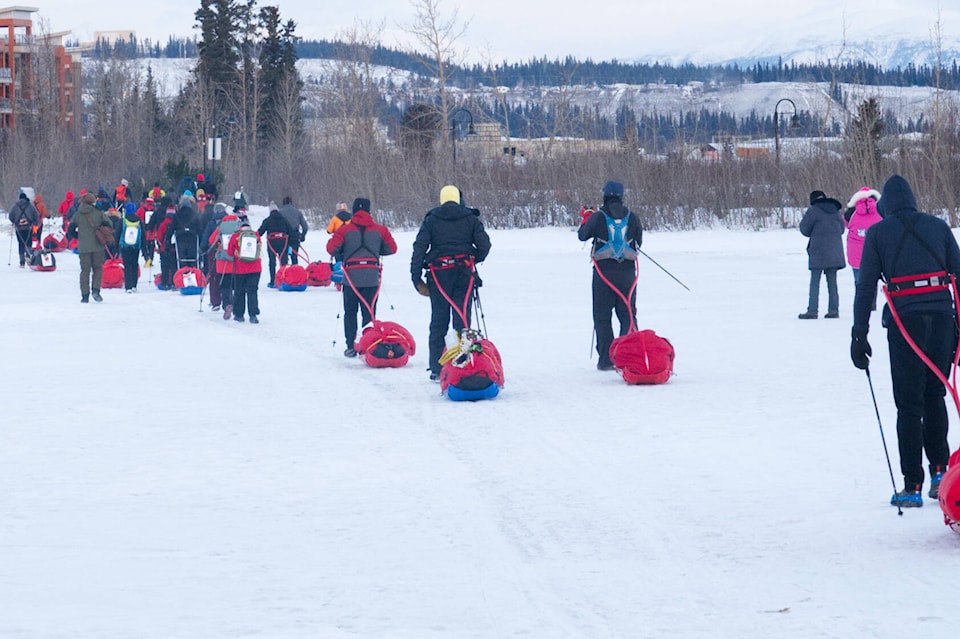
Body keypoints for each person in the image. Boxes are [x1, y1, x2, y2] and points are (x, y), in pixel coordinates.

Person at [850, 174, 960, 507]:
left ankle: (912, 484)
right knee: (934, 393)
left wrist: (859, 334)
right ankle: (941, 472)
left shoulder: (878, 232)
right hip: (943, 319)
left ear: (886, 206)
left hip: (905, 322)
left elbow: (866, 286)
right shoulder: (938, 226)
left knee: (908, 405)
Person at [410, 185, 491, 380]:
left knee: (439, 321)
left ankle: (437, 369)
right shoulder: (470, 218)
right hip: (464, 273)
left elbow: (419, 247)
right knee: (462, 320)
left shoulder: (432, 219)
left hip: (439, 275)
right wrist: (474, 259)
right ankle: (464, 365)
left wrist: (416, 276)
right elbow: (484, 245)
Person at [577, 180, 643, 371]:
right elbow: (638, 242)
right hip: (628, 273)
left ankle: (607, 359)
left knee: (602, 316)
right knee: (627, 314)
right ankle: (628, 356)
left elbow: (582, 235)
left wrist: (586, 217)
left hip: (603, 273)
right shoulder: (633, 217)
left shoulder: (598, 216)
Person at [327, 197, 398, 357]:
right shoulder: (380, 230)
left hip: (351, 277)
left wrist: (344, 252)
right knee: (369, 312)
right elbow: (392, 248)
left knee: (350, 311)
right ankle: (369, 344)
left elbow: (331, 248)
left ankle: (351, 345)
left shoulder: (344, 230)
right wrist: (377, 250)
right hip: (372, 276)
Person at [798, 190, 845, 319]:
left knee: (815, 282)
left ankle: (812, 310)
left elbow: (804, 229)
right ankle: (833, 310)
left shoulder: (813, 211)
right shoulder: (836, 210)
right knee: (832, 282)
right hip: (835, 251)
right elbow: (841, 229)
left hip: (818, 250)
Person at [67, 192, 111, 302]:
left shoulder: (78, 214)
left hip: (83, 247)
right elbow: (109, 223)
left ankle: (85, 295)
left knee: (84, 271)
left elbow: (70, 230)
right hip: (97, 245)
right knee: (97, 269)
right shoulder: (98, 212)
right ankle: (96, 290)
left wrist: (79, 237)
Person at [844, 187, 883, 285]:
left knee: (859, 284)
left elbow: (845, 223)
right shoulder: (881, 210)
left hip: (856, 256)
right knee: (873, 285)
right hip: (875, 255)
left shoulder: (851, 213)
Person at [206, 205, 240, 318]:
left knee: (225, 286)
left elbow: (211, 241)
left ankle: (227, 305)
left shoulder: (221, 227)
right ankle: (237, 305)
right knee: (237, 286)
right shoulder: (238, 226)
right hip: (237, 262)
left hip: (223, 263)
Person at [227, 219, 263, 323]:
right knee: (252, 291)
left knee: (239, 292)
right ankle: (253, 315)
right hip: (255, 268)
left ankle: (239, 315)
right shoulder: (256, 235)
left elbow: (230, 252)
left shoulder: (236, 236)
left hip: (240, 269)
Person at [257, 202, 294, 287]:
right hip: (283, 242)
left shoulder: (267, 220)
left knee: (272, 262)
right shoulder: (284, 220)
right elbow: (290, 231)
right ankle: (284, 279)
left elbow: (260, 232)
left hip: (271, 243)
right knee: (284, 262)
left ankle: (273, 281)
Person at [8, 191, 40, 268]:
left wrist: (15, 222)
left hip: (19, 228)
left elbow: (10, 216)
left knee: (21, 244)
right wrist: (35, 223)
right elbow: (36, 215)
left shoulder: (15, 206)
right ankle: (28, 256)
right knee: (28, 243)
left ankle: (22, 262)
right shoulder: (30, 206)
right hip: (28, 228)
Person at [117, 202, 142, 292]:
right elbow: (143, 235)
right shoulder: (139, 220)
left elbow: (117, 234)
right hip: (136, 246)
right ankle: (134, 285)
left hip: (125, 246)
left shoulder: (123, 221)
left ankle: (128, 286)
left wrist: (116, 247)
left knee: (127, 265)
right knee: (135, 264)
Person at [278, 196, 309, 264]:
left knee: (283, 257)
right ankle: (295, 271)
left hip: (283, 237)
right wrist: (302, 235)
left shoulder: (280, 212)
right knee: (294, 256)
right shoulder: (297, 212)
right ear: (291, 203)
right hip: (295, 236)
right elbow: (305, 226)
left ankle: (284, 272)